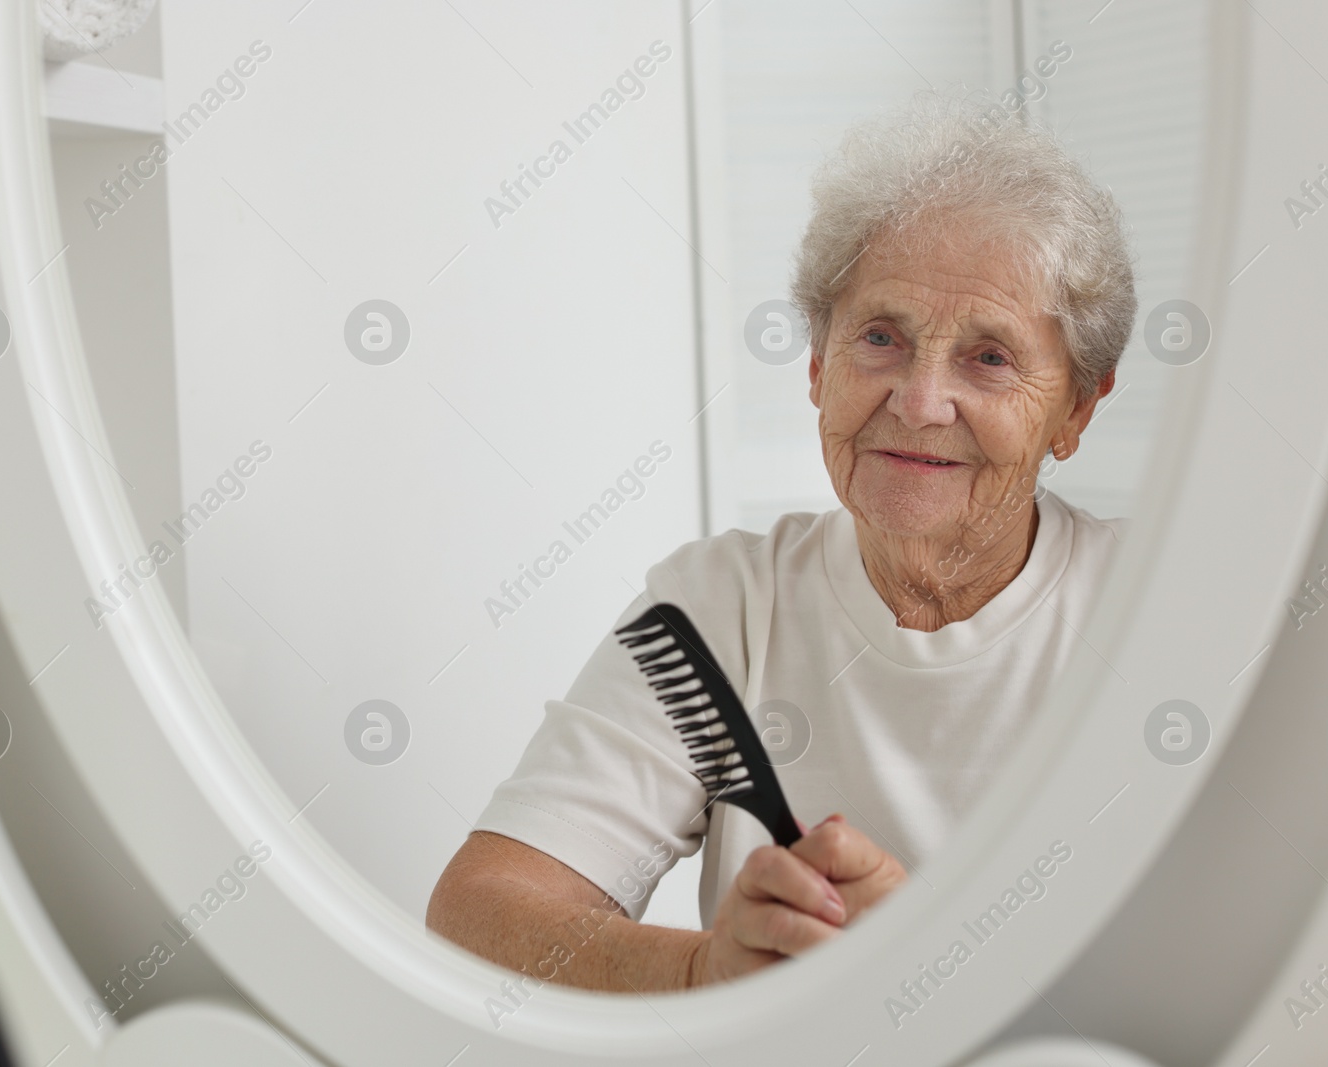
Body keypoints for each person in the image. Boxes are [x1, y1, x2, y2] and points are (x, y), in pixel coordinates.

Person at [428, 92, 1136, 992]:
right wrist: (708, 972)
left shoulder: (1159, 608)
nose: (919, 401)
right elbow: (479, 912)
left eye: (989, 357)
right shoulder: (725, 605)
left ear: (1076, 408)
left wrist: (922, 967)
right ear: (817, 363)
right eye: (880, 337)